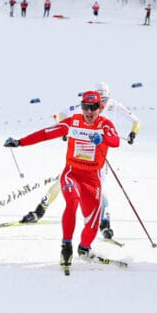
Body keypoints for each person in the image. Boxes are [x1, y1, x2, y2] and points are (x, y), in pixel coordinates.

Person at [4, 91, 120, 273]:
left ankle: (84, 248)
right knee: (72, 202)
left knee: (92, 224)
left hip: (92, 179)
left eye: (93, 108)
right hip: (72, 174)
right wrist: (20, 142)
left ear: (100, 108)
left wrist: (103, 138)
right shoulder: (73, 122)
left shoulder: (105, 125)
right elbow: (45, 133)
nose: (89, 112)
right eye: (85, 108)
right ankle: (66, 247)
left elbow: (115, 141)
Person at [20, 82, 141, 241]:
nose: (102, 105)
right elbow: (61, 115)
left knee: (99, 190)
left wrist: (133, 133)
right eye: (100, 100)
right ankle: (39, 210)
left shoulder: (115, 106)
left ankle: (105, 223)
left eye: (105, 99)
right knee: (62, 183)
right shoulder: (84, 106)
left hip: (100, 155)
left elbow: (136, 121)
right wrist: (64, 132)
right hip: (79, 153)